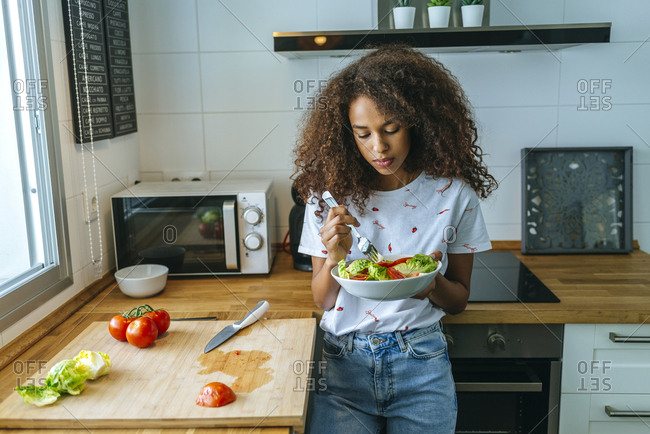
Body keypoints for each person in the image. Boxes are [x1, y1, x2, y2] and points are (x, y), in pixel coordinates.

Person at [293, 44, 497, 433]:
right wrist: (334, 256)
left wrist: (430, 284)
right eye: (363, 134)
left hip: (421, 362)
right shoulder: (327, 197)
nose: (379, 147)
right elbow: (322, 299)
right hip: (342, 365)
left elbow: (458, 301)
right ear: (346, 134)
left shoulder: (454, 195)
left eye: (391, 129)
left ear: (417, 123)